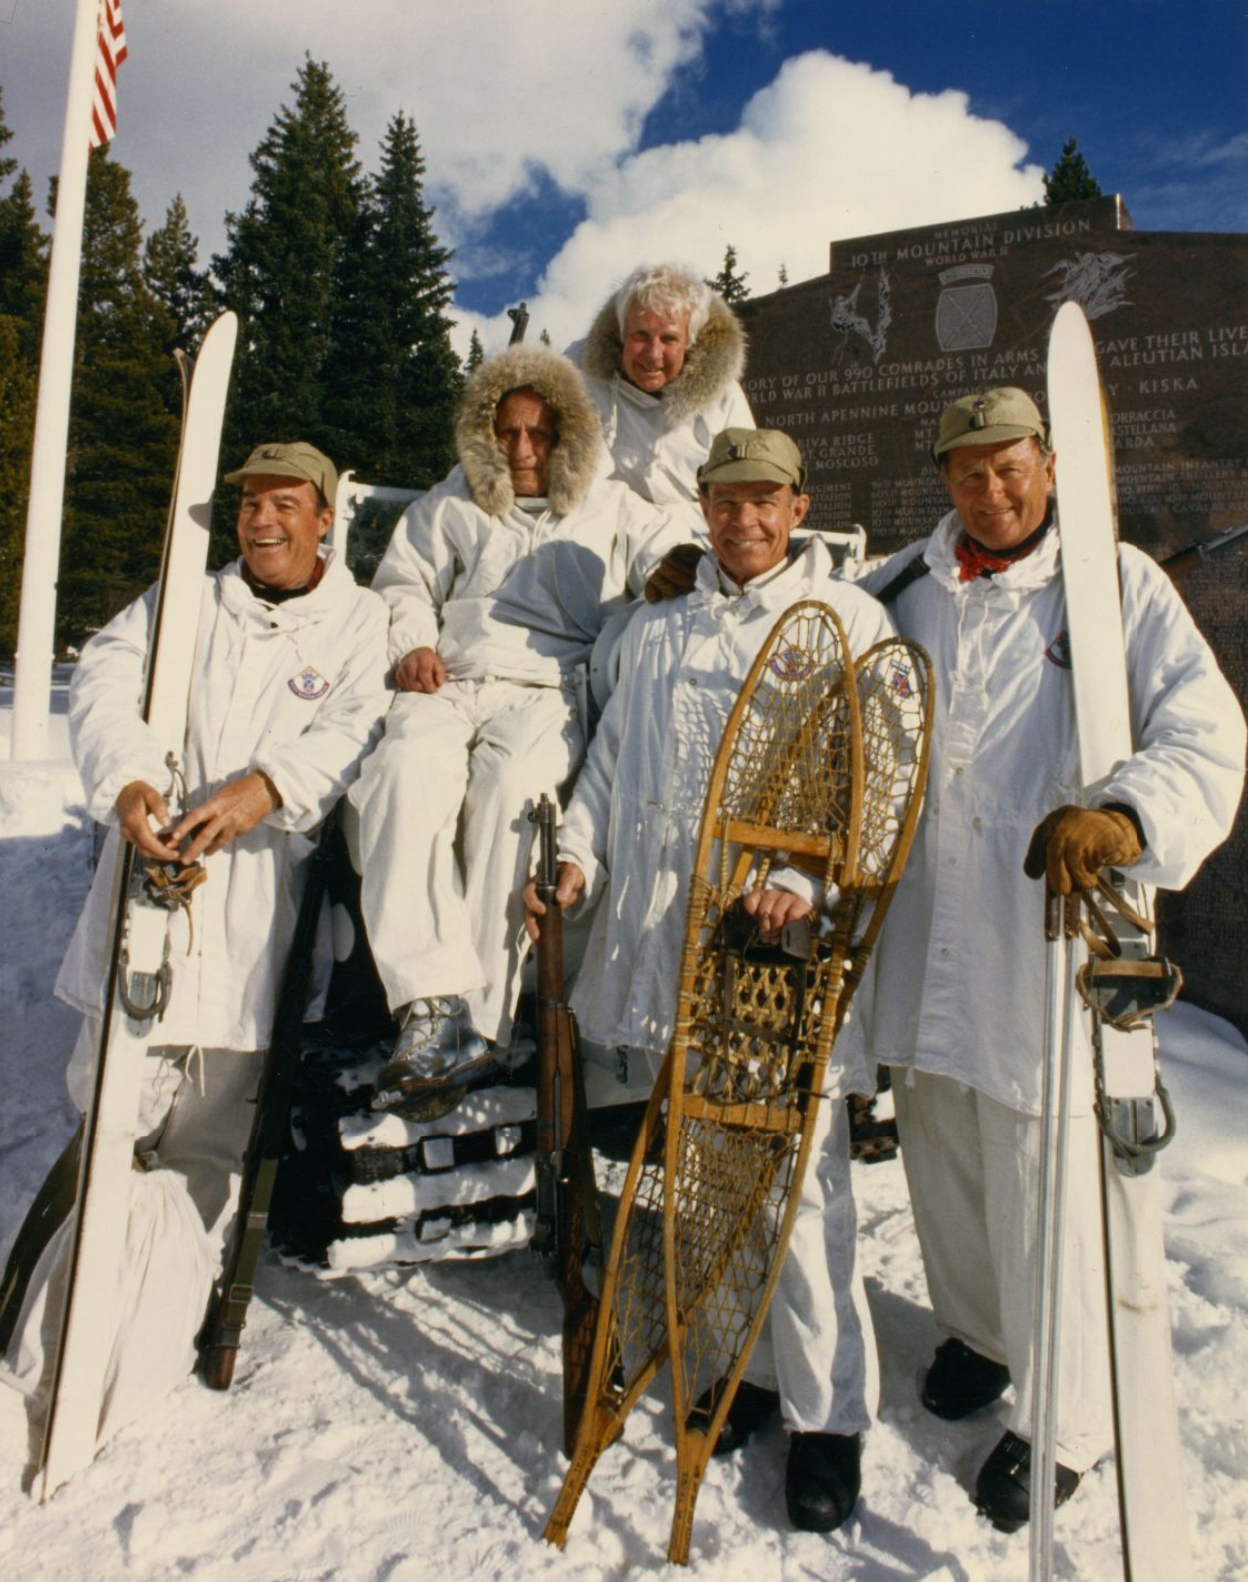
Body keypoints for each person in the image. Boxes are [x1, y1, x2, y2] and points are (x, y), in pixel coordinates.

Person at [853, 388, 1245, 1530]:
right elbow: (792, 634)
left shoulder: (1115, 585)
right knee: (943, 1145)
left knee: (1042, 1164)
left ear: (1051, 464)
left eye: (1013, 467)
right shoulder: (902, 588)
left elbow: (1204, 726)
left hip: (1042, 930)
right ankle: (978, 1329)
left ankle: (1067, 1413)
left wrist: (1126, 816)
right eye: (970, 473)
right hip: (929, 921)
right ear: (946, 479)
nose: (994, 490)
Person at [523, 427, 897, 1535]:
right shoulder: (659, 627)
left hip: (773, 952)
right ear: (703, 504)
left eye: (764, 499)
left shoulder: (844, 623)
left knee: (799, 1181)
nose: (743, 518)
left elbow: (869, 782)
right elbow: (608, 765)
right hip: (667, 947)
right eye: (724, 499)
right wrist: (579, 858)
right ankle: (741, 1371)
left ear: (798, 504)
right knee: (701, 1167)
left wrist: (797, 873)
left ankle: (827, 1418)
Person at [2, 441, 390, 1461]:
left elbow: (361, 723)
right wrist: (130, 777)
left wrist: (269, 784)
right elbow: (103, 677)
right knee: (109, 1140)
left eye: (287, 504)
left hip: (256, 921)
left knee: (202, 1161)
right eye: (252, 503)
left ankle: (115, 1371)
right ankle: (30, 1376)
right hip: (148, 906)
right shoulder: (184, 599)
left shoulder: (357, 621)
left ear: (322, 520)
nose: (265, 520)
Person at [350, 344, 685, 1118]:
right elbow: (402, 582)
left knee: (512, 795)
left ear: (569, 436)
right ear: (484, 435)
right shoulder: (451, 503)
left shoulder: (608, 503)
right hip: (452, 677)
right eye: (506, 433)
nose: (523, 450)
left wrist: (672, 566)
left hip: (547, 688)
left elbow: (662, 550)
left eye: (540, 434)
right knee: (402, 775)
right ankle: (429, 1005)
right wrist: (412, 644)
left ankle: (479, 1021)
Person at [572, 262, 753, 530]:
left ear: (689, 342)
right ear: (622, 334)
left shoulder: (724, 398)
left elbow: (745, 488)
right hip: (602, 530)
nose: (653, 354)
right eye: (640, 335)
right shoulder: (579, 371)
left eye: (669, 339)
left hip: (694, 538)